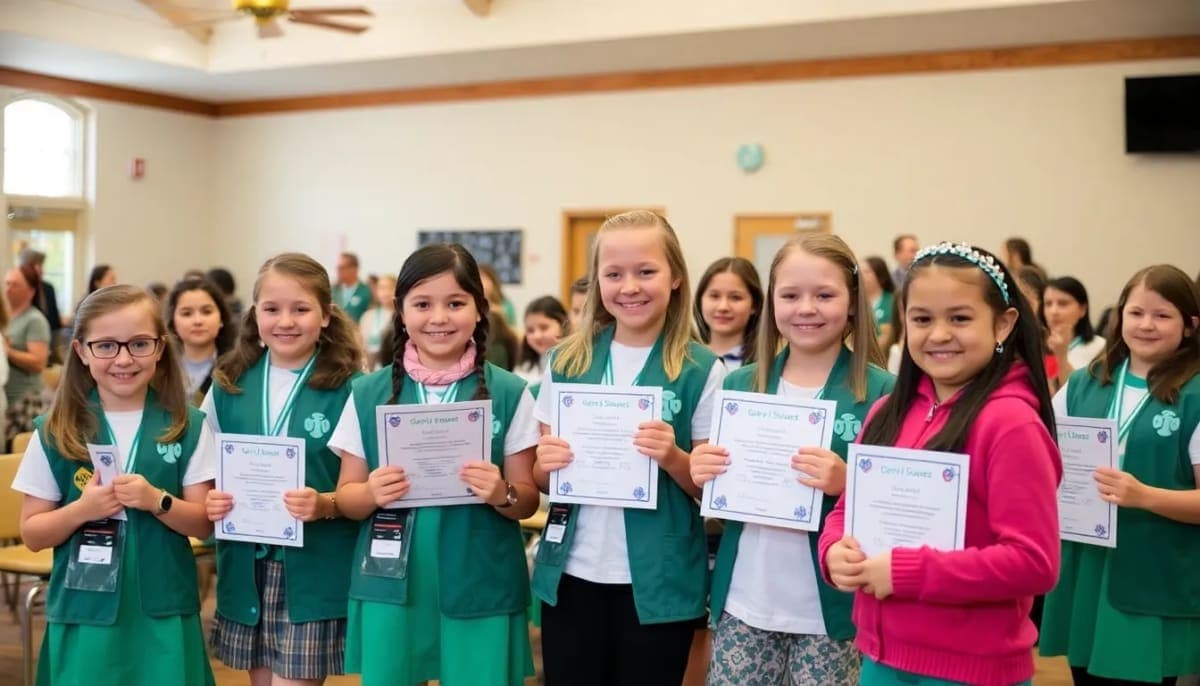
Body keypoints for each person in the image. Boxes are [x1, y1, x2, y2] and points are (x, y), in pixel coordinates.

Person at [821, 242, 1061, 685]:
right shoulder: (887, 412)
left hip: (973, 668)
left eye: (960, 318)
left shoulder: (1010, 424)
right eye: (922, 319)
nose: (939, 334)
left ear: (1004, 324)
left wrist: (906, 572)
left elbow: (1034, 561)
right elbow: (846, 511)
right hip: (882, 658)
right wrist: (834, 550)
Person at [329, 243, 540, 686]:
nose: (439, 318)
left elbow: (526, 500)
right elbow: (346, 498)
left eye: (456, 303)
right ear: (400, 312)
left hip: (480, 574)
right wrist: (370, 493)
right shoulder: (367, 393)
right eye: (422, 304)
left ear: (480, 311)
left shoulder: (509, 391)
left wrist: (501, 492)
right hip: (393, 580)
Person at [531, 210, 725, 685]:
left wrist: (674, 457)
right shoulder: (567, 360)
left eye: (646, 271)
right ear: (596, 281)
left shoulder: (702, 368)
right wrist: (545, 464)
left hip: (657, 582)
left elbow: (713, 493)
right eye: (613, 274)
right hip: (573, 574)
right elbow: (540, 475)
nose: (629, 286)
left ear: (676, 276)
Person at [690, 233, 894, 684]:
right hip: (744, 599)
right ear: (771, 303)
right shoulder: (739, 385)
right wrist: (703, 471)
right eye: (790, 295)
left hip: (832, 609)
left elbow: (897, 507)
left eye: (824, 295)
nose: (806, 308)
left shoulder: (882, 392)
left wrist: (848, 483)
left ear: (854, 302)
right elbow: (718, 491)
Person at [11, 284, 216, 685]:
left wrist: (158, 501)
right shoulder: (55, 432)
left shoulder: (187, 426)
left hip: (163, 609)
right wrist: (82, 511)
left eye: (139, 344)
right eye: (106, 346)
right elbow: (33, 533)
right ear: (81, 351)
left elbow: (203, 524)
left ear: (160, 348)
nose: (123, 359)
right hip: (86, 610)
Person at [201, 253, 362, 685]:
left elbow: (361, 488)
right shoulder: (230, 381)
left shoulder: (351, 387)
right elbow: (205, 467)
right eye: (272, 309)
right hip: (247, 566)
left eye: (301, 309)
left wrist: (324, 503)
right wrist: (212, 497)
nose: (285, 321)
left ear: (326, 315)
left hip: (315, 566)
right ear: (255, 315)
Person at [1040, 264, 1200, 685]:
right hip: (1084, 568)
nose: (1146, 325)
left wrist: (1145, 496)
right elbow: (1042, 454)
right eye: (1135, 313)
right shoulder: (1085, 385)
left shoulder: (1195, 395)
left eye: (1163, 315)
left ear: (1189, 326)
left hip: (1151, 574)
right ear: (1119, 317)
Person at [165, 278, 235, 405]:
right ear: (172, 322)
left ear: (221, 318)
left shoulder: (238, 367)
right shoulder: (160, 368)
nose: (197, 321)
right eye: (187, 314)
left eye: (206, 312)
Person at [5, 266, 52, 445]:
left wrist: (8, 352)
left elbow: (39, 362)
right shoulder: (8, 317)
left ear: (30, 291)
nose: (8, 288)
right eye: (6, 283)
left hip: (25, 403)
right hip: (8, 401)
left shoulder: (35, 320)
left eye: (14, 285)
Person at [694, 257, 762, 370]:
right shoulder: (686, 361)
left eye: (735, 298)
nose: (723, 307)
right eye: (714, 296)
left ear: (755, 304)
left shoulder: (766, 366)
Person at [1044, 276, 1106, 386]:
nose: (1054, 311)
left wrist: (1061, 356)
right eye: (1048, 304)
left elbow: (1078, 393)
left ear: (1083, 309)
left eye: (1063, 303)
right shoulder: (1038, 346)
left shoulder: (1100, 347)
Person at [513, 295, 568, 384]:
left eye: (544, 328)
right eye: (530, 330)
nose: (537, 336)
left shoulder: (574, 366)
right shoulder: (523, 368)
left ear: (563, 324)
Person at [358, 274, 397, 369]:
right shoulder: (367, 317)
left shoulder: (404, 316)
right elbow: (362, 348)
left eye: (390, 288)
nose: (385, 292)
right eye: (381, 288)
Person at [862, 256, 897, 351]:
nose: (861, 276)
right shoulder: (854, 302)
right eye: (860, 272)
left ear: (880, 275)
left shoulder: (893, 301)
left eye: (867, 272)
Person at [334, 252, 372, 323]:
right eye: (337, 268)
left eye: (342, 268)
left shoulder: (367, 291)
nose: (338, 271)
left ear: (354, 269)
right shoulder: (333, 290)